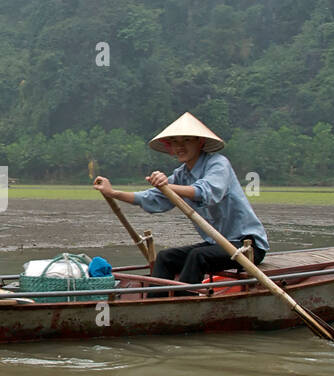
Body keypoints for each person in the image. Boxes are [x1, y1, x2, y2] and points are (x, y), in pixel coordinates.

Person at [93, 112, 268, 284]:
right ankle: (156, 300)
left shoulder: (218, 163)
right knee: (165, 257)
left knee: (198, 256)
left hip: (246, 246)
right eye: (175, 142)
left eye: (186, 140)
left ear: (200, 142)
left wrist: (166, 186)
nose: (180, 146)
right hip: (216, 244)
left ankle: (182, 300)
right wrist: (113, 193)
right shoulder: (181, 175)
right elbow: (152, 198)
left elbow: (205, 192)